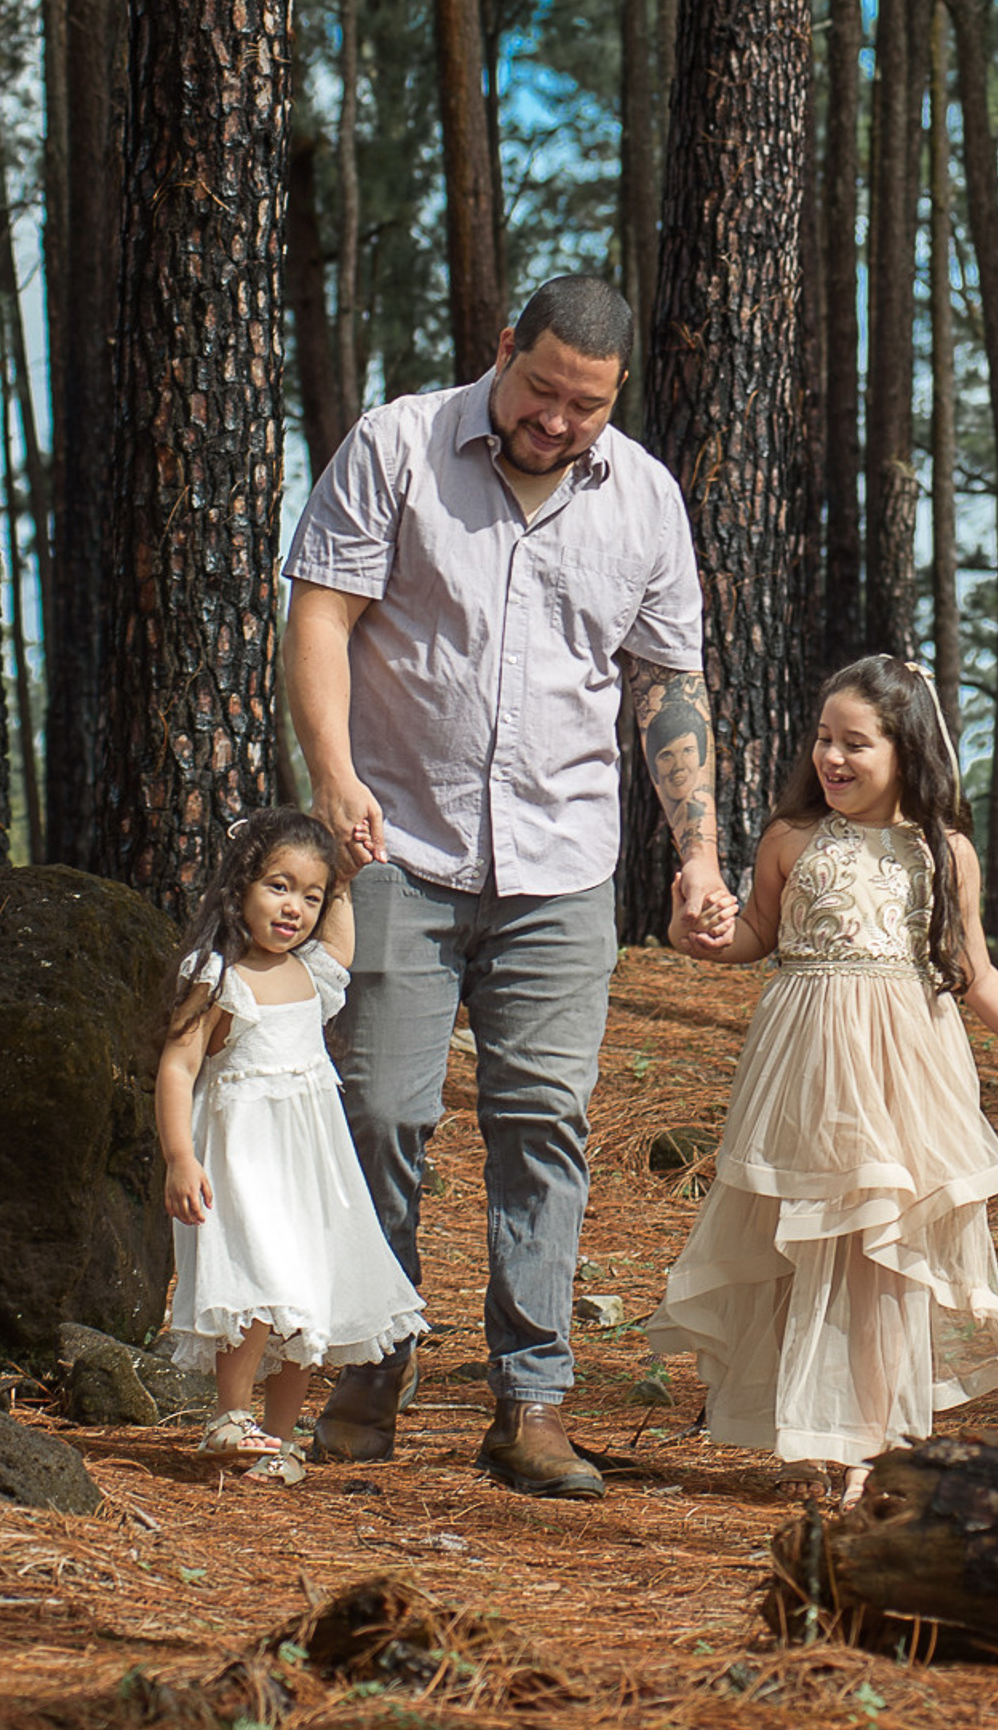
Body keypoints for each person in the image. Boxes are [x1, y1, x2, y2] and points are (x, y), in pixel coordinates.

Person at [280, 273, 728, 1498]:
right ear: (503, 352)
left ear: (615, 394)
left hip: (561, 866)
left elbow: (664, 685)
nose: (559, 421)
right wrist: (332, 778)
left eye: (586, 405)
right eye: (542, 391)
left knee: (544, 1124)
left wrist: (695, 849)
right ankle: (375, 1356)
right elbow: (320, 614)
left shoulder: (644, 497)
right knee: (379, 1108)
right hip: (396, 848)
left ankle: (531, 1402)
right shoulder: (398, 444)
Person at [647, 655, 998, 1499]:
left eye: (855, 743)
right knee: (805, 1243)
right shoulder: (792, 839)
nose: (832, 758)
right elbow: (751, 934)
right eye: (824, 739)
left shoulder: (945, 853)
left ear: (907, 750)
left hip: (904, 1075)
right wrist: (696, 931)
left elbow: (975, 973)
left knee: (882, 1252)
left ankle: (872, 1440)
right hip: (807, 1072)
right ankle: (803, 1440)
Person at [154, 808, 430, 1484]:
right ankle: (229, 1415)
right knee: (258, 1284)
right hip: (244, 1163)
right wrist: (179, 1158)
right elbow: (178, 1065)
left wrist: (344, 876)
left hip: (311, 1170)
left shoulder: (313, 972)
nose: (295, 908)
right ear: (241, 886)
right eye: (279, 887)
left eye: (311, 896)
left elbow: (340, 946)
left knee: (309, 1296)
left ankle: (277, 1442)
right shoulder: (219, 976)